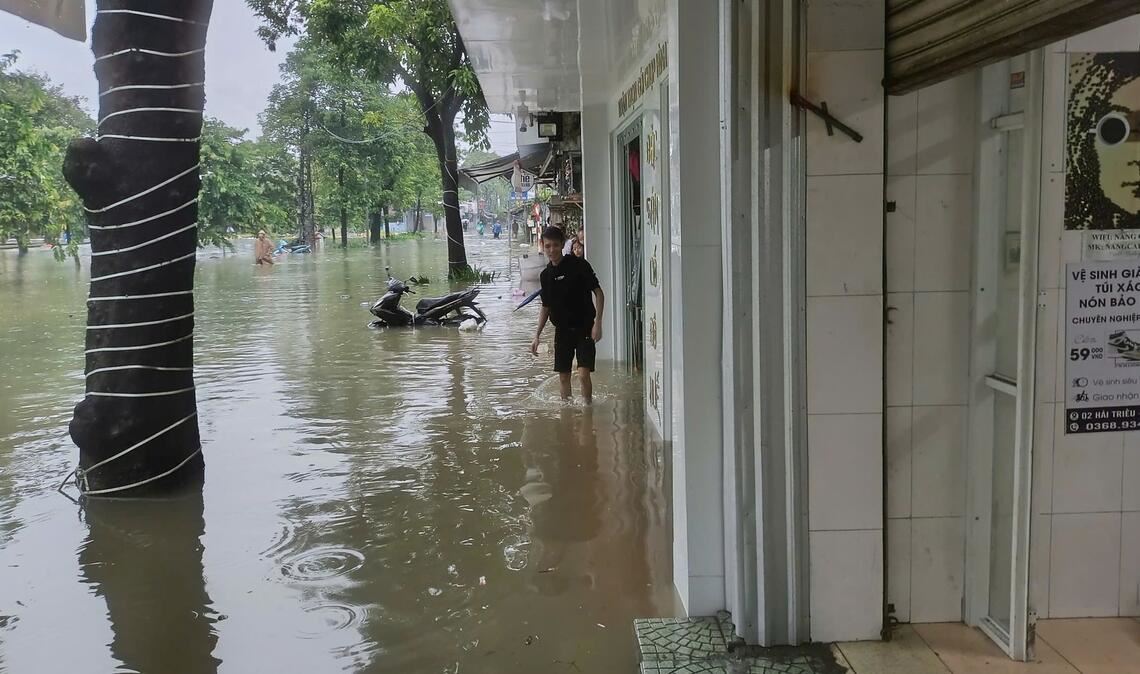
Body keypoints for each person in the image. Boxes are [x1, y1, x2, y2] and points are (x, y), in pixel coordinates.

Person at [531, 226, 605, 403]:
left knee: (583, 374)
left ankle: (588, 409)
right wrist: (536, 335)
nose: (551, 250)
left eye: (555, 245)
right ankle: (567, 413)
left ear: (562, 244)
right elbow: (545, 306)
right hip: (562, 331)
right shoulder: (545, 275)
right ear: (543, 245)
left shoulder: (579, 265)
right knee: (563, 377)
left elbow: (599, 293)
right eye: (547, 246)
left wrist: (598, 323)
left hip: (584, 327)